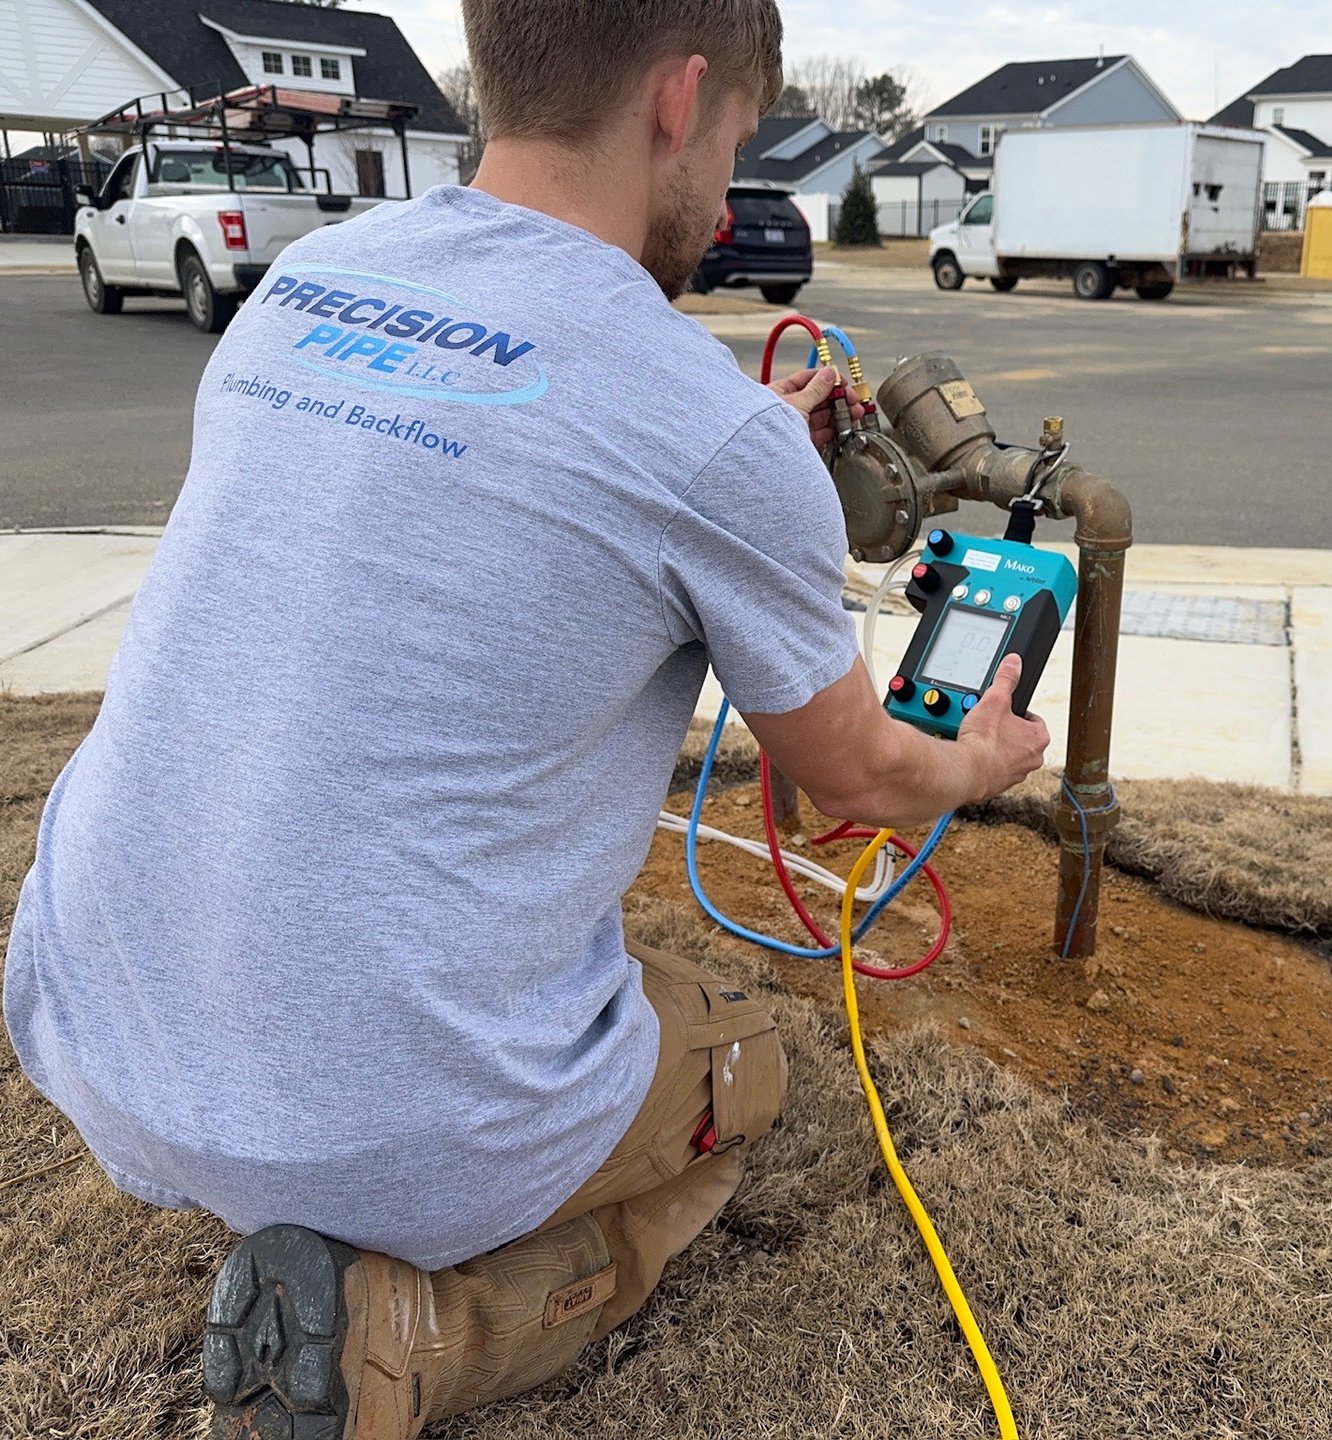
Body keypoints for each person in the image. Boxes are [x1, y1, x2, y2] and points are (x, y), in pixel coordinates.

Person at [0, 2, 1051, 1436]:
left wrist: (748, 453)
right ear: (681, 103)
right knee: (747, 1070)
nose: (729, 177)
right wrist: (978, 759)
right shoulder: (712, 436)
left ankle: (310, 1191)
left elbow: (486, 466)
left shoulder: (309, 283)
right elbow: (861, 775)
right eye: (740, 135)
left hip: (97, 1025)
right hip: (378, 1112)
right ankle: (417, 1334)